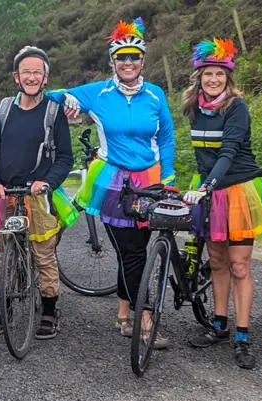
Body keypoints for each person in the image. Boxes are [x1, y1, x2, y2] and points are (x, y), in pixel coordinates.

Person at [46, 18, 175, 348]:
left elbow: (168, 138)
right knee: (132, 251)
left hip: (150, 179)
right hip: (114, 181)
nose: (128, 62)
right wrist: (68, 101)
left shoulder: (155, 94)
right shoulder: (99, 93)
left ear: (143, 60)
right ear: (112, 62)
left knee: (136, 249)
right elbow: (49, 94)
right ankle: (144, 319)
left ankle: (122, 314)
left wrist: (169, 176)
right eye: (121, 57)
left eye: (134, 57)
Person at [180, 38, 262, 370]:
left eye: (219, 75)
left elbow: (228, 153)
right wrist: (201, 186)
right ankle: (220, 324)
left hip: (237, 189)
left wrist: (208, 186)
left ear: (228, 78)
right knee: (218, 262)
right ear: (200, 77)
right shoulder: (193, 107)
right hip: (210, 191)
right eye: (208, 74)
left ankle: (242, 335)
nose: (213, 80)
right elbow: (202, 156)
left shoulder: (236, 107)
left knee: (240, 266)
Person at [0, 46, 75, 339]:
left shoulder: (54, 112)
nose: (31, 77)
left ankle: (48, 309)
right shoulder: (4, 109)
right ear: (16, 77)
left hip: (39, 196)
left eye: (37, 72)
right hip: (5, 195)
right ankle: (6, 307)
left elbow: (65, 159)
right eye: (26, 72)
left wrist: (48, 181)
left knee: (44, 255)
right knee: (6, 254)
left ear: (46, 78)